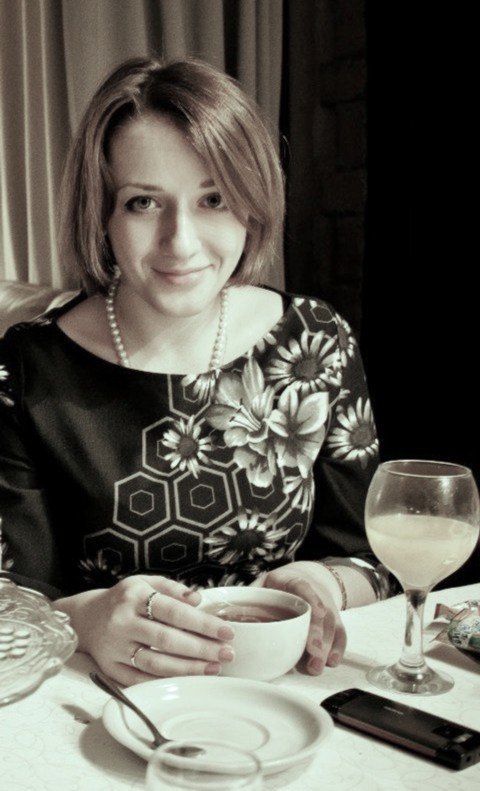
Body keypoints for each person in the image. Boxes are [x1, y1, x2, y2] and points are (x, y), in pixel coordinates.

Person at [0, 56, 390, 686]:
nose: (180, 241)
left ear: (250, 204)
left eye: (213, 199)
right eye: (143, 202)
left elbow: (374, 557)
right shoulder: (27, 368)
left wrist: (326, 583)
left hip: (282, 696)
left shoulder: (317, 341)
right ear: (101, 215)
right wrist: (87, 620)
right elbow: (10, 602)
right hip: (102, 701)